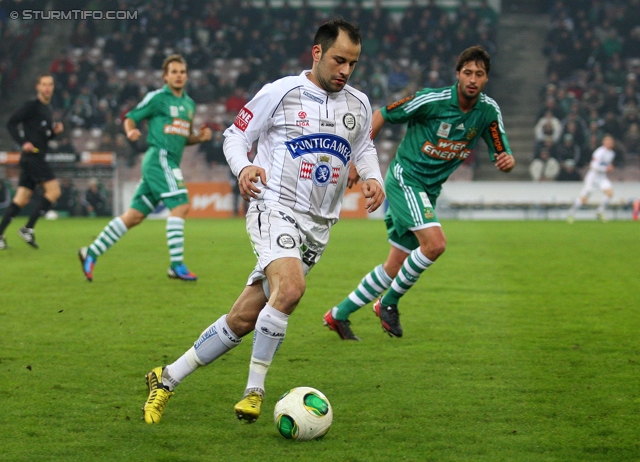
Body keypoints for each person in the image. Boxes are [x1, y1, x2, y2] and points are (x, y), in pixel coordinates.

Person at [141, 19, 385, 425]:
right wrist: (243, 168)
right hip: (274, 207)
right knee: (290, 289)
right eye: (339, 60)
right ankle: (254, 392)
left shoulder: (357, 104)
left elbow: (364, 146)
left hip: (319, 226)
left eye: (353, 64)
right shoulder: (282, 91)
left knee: (243, 318)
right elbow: (234, 136)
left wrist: (372, 175)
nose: (345, 70)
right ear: (318, 53)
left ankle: (166, 377)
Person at [324, 45, 515, 341]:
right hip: (405, 179)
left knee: (395, 264)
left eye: (479, 74)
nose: (473, 79)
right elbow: (382, 114)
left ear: (487, 78)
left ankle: (338, 315)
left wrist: (507, 161)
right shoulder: (432, 100)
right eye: (468, 73)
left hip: (429, 190)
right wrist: (356, 162)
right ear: (458, 75)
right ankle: (388, 303)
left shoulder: (488, 112)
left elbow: (502, 154)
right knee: (435, 244)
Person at [78, 55, 212, 281]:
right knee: (181, 205)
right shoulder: (158, 98)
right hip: (160, 158)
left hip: (165, 162)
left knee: (134, 216)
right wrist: (130, 131)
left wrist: (198, 138)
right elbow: (131, 117)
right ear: (165, 76)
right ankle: (176, 265)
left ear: (186, 75)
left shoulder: (189, 104)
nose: (179, 75)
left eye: (182, 71)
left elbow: (183, 137)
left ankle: (90, 252)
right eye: (174, 71)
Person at [0, 75, 64, 250]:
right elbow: (11, 123)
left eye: (50, 84)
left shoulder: (47, 109)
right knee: (54, 191)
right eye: (44, 85)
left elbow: (43, 136)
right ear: (38, 87)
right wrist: (23, 143)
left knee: (21, 199)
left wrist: (54, 133)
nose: (47, 88)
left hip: (35, 158)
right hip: (33, 157)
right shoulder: (31, 106)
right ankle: (28, 228)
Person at [567, 134, 616, 223]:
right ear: (603, 142)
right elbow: (593, 166)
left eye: (611, 142)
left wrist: (609, 168)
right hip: (593, 178)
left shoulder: (612, 153)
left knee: (610, 193)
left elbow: (607, 165)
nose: (609, 144)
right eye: (607, 142)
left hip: (602, 178)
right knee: (584, 198)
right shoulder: (599, 152)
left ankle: (600, 211)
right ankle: (571, 212)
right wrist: (606, 169)